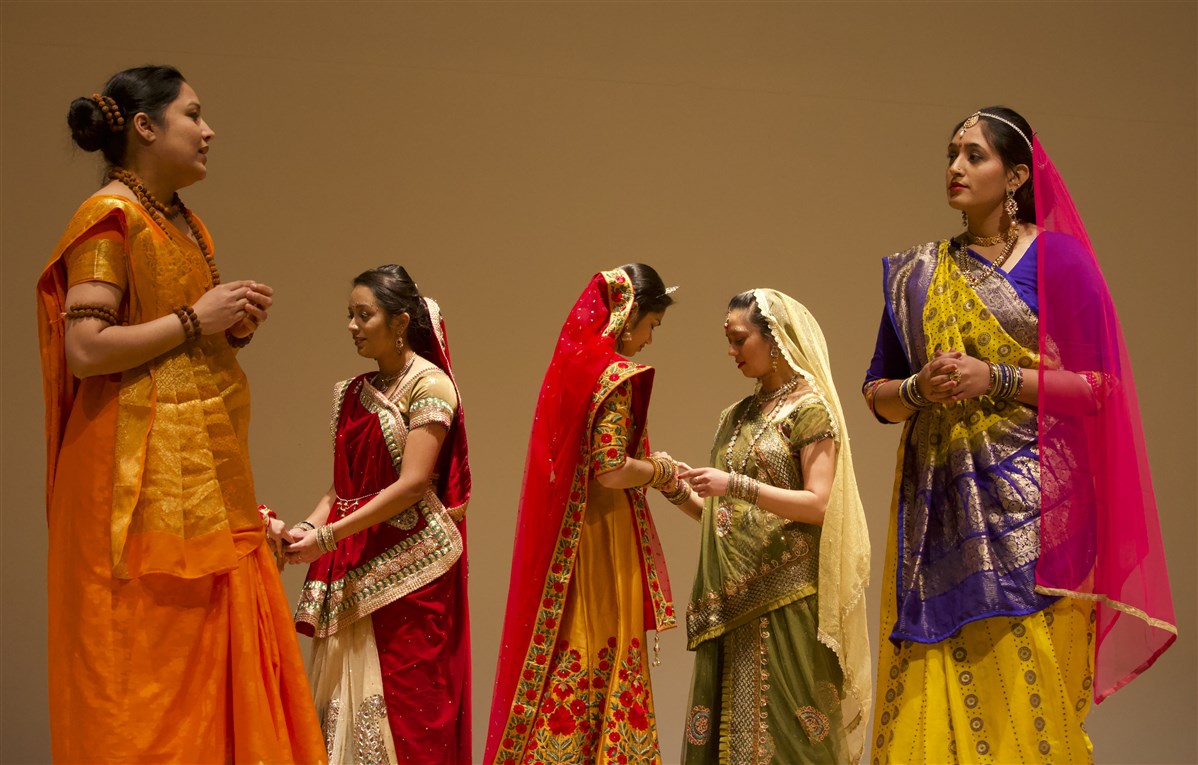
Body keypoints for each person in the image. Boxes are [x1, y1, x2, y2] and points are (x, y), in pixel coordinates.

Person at [862, 106, 1177, 764]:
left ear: (1017, 176)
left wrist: (995, 377)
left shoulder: (1058, 259)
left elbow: (1100, 389)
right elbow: (879, 396)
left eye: (973, 154)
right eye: (951, 153)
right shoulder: (918, 275)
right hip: (938, 523)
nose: (954, 167)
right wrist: (920, 389)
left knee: (1029, 726)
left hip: (1041, 525)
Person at [36, 65, 325, 762]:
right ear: (144, 127)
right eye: (193, 115)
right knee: (141, 674)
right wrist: (199, 318)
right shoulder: (109, 215)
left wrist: (228, 324)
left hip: (198, 483)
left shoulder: (184, 224)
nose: (208, 130)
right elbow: (85, 347)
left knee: (202, 663)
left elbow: (179, 342)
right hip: (126, 492)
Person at [485, 265, 679, 765]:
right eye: (652, 325)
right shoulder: (615, 374)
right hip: (603, 537)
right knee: (601, 642)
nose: (650, 339)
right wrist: (658, 471)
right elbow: (611, 468)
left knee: (571, 647)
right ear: (630, 314)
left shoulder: (574, 367)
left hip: (570, 540)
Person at [672, 289, 871, 764]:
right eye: (729, 340)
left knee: (791, 736)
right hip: (734, 602)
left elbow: (819, 504)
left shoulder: (810, 410)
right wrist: (678, 490)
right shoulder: (734, 416)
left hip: (789, 599)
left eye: (740, 339)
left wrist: (734, 483)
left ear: (774, 338)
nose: (732, 351)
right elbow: (723, 524)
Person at [285, 265, 472, 764]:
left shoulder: (430, 387)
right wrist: (310, 525)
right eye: (349, 315)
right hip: (354, 557)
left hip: (411, 569)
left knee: (410, 707)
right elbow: (342, 486)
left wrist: (328, 538)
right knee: (341, 704)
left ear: (400, 321)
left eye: (364, 315)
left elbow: (412, 485)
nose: (352, 326)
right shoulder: (354, 392)